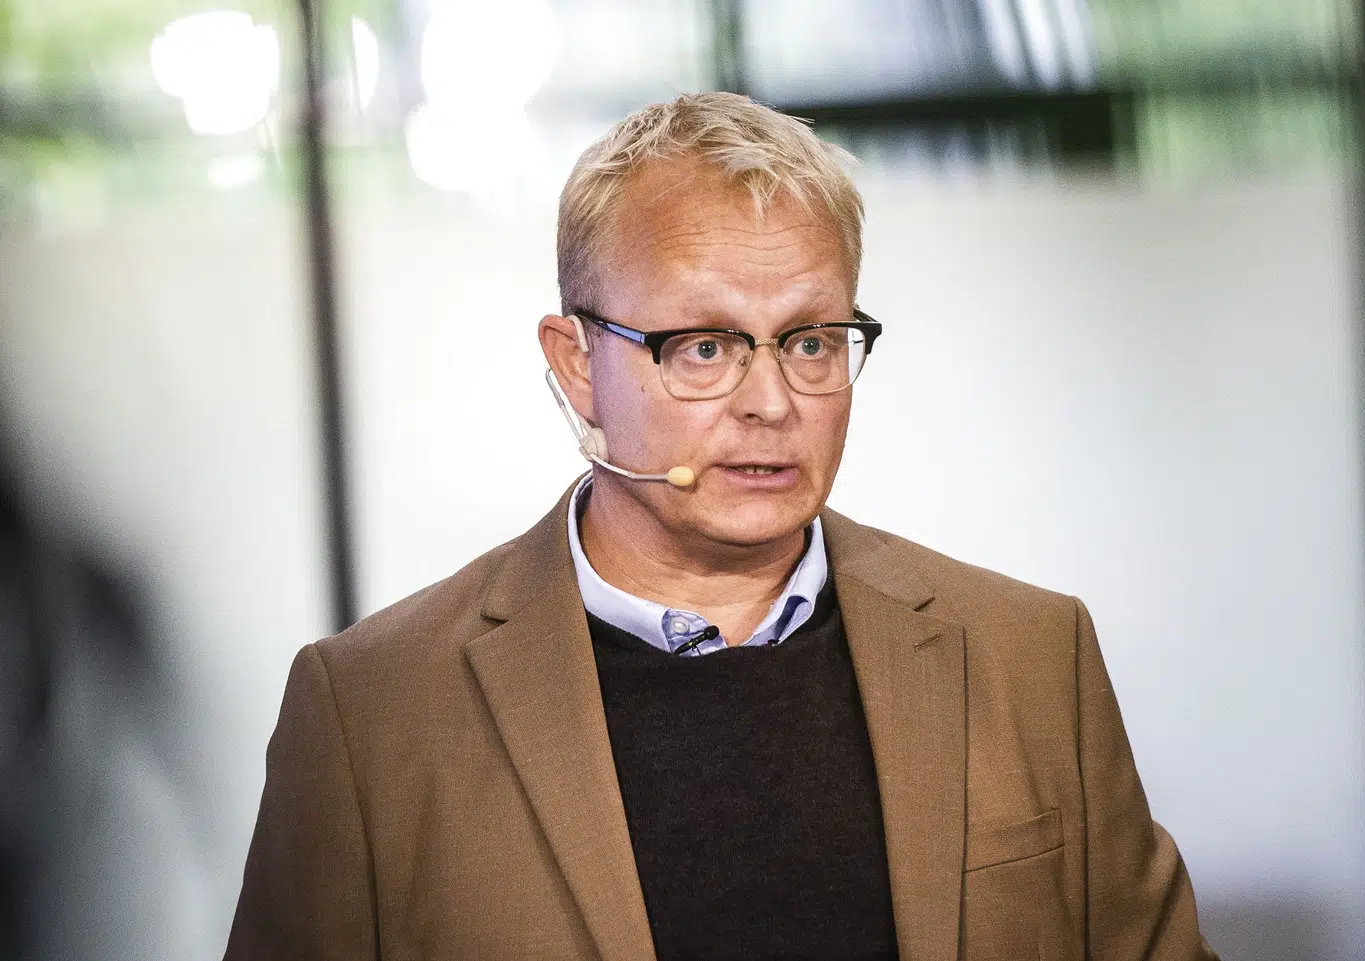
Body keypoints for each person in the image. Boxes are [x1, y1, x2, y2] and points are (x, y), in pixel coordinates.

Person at [224, 92, 1218, 961]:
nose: (773, 403)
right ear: (577, 366)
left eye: (811, 341)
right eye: (703, 347)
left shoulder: (1031, 656)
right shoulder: (373, 713)